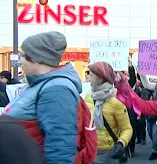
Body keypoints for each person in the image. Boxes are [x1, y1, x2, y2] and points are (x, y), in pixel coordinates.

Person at [4, 31, 82, 163]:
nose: (20, 61)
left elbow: (60, 147)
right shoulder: (39, 84)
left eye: (23, 56)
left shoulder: (56, 90)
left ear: (35, 58)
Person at [85, 61, 133, 164]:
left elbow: (127, 129)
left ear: (100, 78)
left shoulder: (116, 101)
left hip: (108, 153)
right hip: (89, 149)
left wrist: (120, 143)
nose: (88, 77)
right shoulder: (88, 96)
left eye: (91, 74)